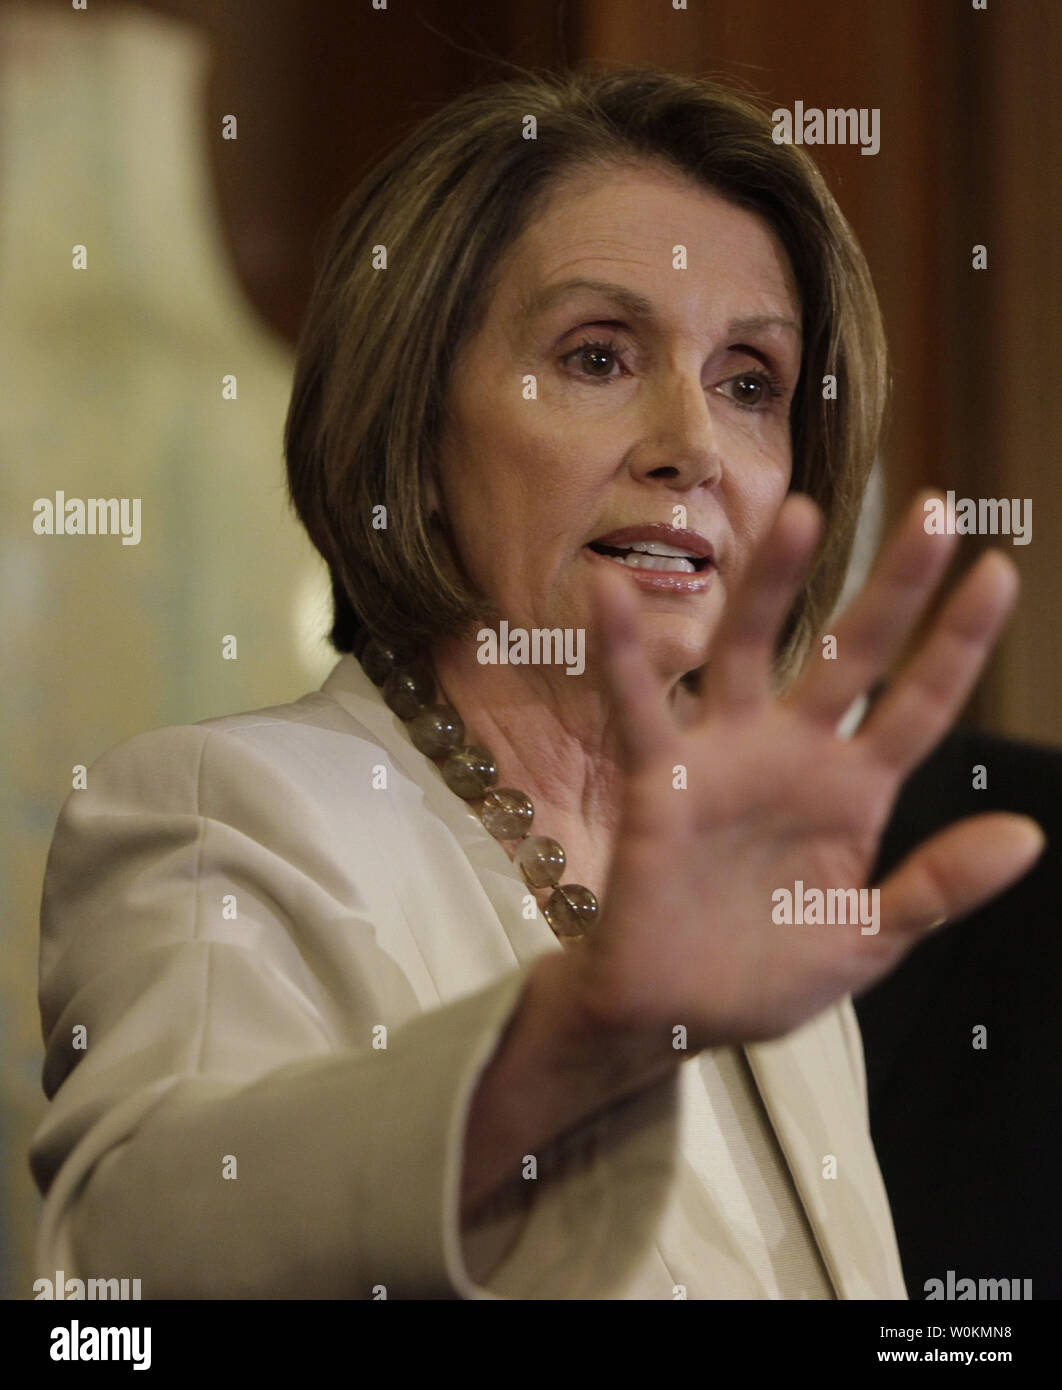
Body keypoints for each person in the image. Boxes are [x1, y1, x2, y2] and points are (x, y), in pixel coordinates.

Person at [30, 65, 1044, 1300]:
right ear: (417, 420)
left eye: (748, 383)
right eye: (598, 356)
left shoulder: (757, 895)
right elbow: (123, 1265)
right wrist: (570, 1047)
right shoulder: (227, 811)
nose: (694, 446)